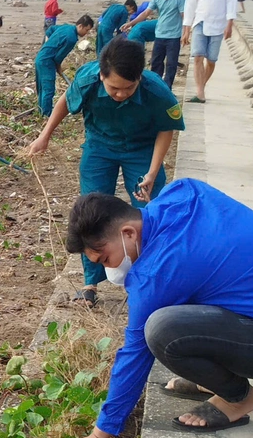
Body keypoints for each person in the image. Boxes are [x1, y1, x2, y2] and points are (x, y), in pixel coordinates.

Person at [64, 181, 253, 438]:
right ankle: (214, 376)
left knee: (162, 330)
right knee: (202, 292)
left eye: (106, 259)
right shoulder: (182, 192)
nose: (108, 270)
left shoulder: (158, 273)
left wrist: (100, 436)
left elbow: (134, 354)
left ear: (129, 233)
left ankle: (238, 399)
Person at [29, 38, 184, 306]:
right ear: (102, 75)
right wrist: (44, 136)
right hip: (99, 146)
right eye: (114, 88)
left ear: (140, 78)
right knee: (91, 210)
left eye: (129, 88)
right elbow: (66, 101)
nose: (121, 94)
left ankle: (150, 280)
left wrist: (152, 171)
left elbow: (165, 129)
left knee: (152, 210)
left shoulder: (157, 91)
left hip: (141, 149)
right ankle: (90, 283)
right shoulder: (88, 79)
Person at [182, 0, 238, 103]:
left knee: (211, 60)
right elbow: (190, 4)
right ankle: (200, 93)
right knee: (198, 56)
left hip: (218, 24)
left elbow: (231, 0)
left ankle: (201, 88)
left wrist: (230, 23)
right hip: (200, 22)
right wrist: (186, 28)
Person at [122, 0, 187, 87]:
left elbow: (184, 16)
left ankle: (167, 88)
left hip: (173, 36)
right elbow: (146, 13)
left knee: (171, 64)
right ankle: (156, 86)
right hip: (160, 35)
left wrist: (187, 32)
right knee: (156, 62)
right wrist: (130, 23)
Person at [34, 15, 94, 115]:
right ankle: (46, 115)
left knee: (42, 87)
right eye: (86, 30)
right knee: (48, 89)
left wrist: (46, 46)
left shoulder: (66, 27)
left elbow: (50, 30)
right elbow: (58, 57)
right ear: (80, 26)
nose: (86, 33)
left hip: (40, 57)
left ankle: (41, 111)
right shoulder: (72, 39)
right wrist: (58, 66)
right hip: (47, 62)